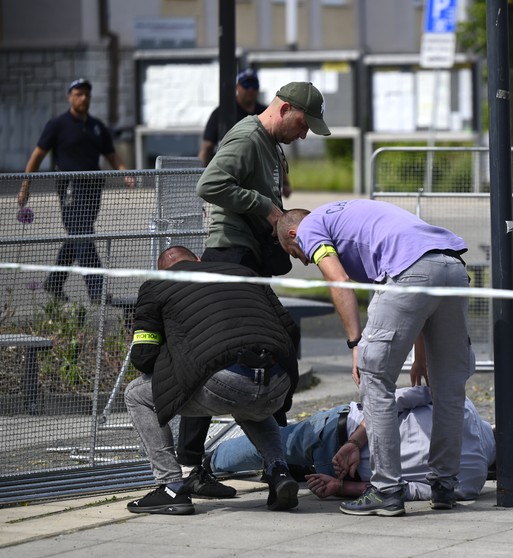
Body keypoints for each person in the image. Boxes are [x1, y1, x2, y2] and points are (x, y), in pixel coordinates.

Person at [177, 81, 331, 499]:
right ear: (284, 109)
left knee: (276, 343)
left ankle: (276, 461)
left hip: (248, 258)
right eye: (303, 124)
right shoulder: (248, 136)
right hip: (229, 256)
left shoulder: (270, 145)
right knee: (218, 356)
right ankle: (196, 466)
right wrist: (268, 208)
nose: (304, 134)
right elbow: (208, 184)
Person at [276, 199, 474, 516]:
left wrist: (356, 342)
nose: (302, 261)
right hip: (451, 266)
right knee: (448, 387)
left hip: (411, 270)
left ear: (293, 234)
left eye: (293, 252)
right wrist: (420, 359)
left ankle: (386, 491)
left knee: (374, 377)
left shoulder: (310, 228)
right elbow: (421, 297)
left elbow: (338, 281)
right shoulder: (349, 220)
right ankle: (445, 487)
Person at [123, 246, 302, 515]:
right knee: (251, 401)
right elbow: (291, 330)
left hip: (225, 381)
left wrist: (175, 356)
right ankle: (278, 472)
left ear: (162, 271)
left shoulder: (157, 286)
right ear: (197, 259)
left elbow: (142, 356)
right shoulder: (244, 273)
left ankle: (171, 487)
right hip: (277, 380)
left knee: (136, 394)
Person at [209, 385, 513, 502]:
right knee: (284, 464)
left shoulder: (460, 405)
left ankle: (205, 465)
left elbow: (391, 402)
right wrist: (340, 487)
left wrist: (353, 443)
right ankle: (284, 474)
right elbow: (406, 489)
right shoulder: (471, 483)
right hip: (343, 476)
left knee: (271, 446)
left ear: (497, 428)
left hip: (341, 431)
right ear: (496, 471)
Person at [16, 78, 133, 304]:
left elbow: (111, 155)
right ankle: (97, 290)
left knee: (77, 235)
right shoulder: (57, 125)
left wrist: (125, 172)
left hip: (93, 188)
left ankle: (54, 282)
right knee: (84, 235)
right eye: (79, 94)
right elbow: (37, 155)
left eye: (87, 94)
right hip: (70, 187)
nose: (83, 98)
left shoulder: (97, 126)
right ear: (70, 96)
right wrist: (25, 186)